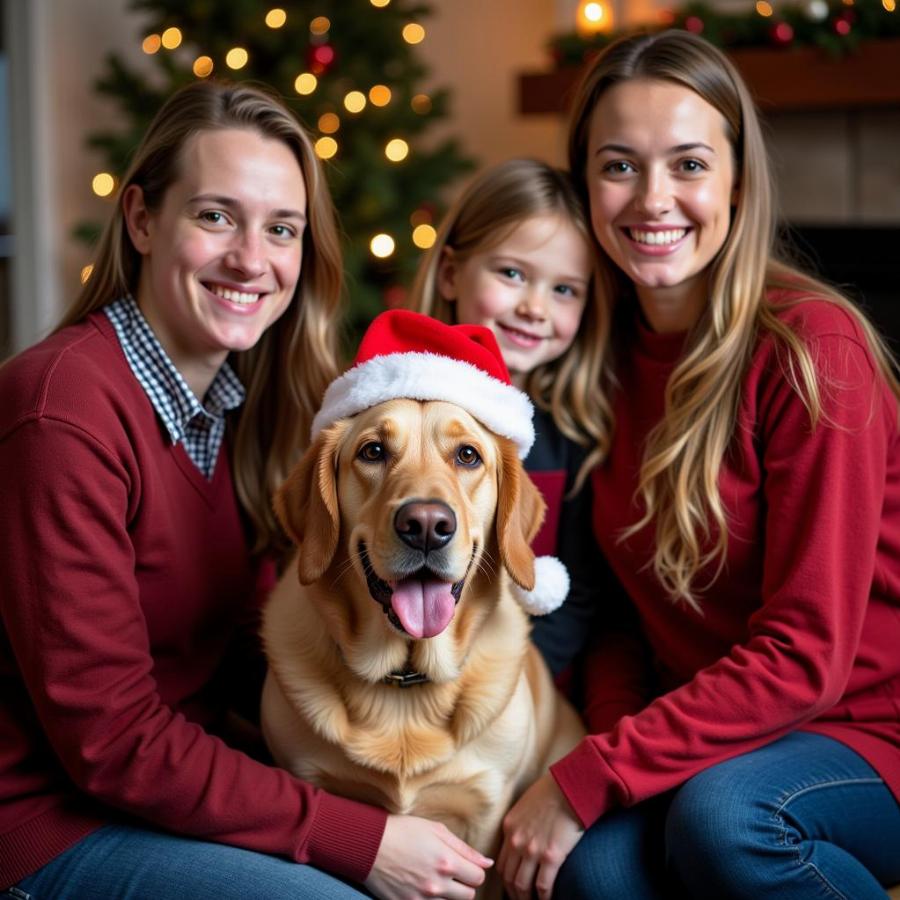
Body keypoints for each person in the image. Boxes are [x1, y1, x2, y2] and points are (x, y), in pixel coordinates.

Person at [0, 80, 490, 900]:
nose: (251, 260)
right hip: (48, 824)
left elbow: (242, 648)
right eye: (215, 216)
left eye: (282, 229)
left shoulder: (238, 404)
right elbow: (110, 740)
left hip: (165, 793)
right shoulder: (62, 411)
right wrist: (357, 836)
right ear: (143, 220)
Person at [496, 29, 900, 900]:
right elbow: (612, 620)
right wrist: (616, 753)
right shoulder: (598, 359)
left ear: (737, 183)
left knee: (730, 820)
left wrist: (588, 777)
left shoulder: (810, 349)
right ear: (585, 185)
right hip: (719, 732)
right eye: (618, 166)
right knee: (594, 873)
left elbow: (805, 655)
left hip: (870, 732)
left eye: (687, 164)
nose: (653, 199)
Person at [409, 158, 612, 679]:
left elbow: (578, 593)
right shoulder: (395, 413)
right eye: (513, 274)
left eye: (564, 289)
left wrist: (512, 689)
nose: (534, 307)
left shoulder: (573, 436)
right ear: (451, 273)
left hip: (524, 688)